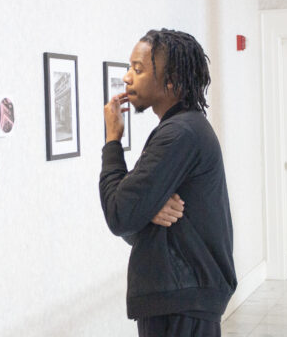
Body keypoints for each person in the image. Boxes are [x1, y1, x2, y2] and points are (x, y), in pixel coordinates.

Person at [99, 29, 237, 336]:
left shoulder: (179, 134)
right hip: (181, 297)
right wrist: (146, 212)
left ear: (171, 81)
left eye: (138, 69)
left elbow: (119, 213)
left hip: (181, 300)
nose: (126, 78)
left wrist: (112, 140)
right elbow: (131, 216)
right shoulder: (181, 128)